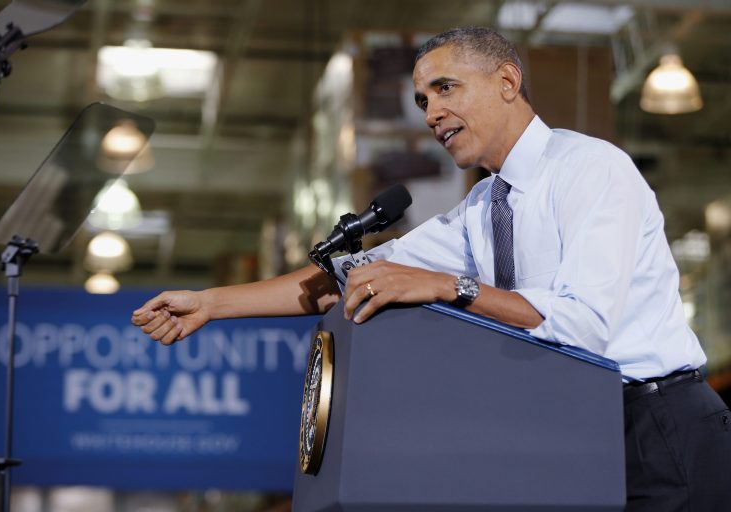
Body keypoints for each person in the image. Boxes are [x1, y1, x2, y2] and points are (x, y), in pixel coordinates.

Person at [132, 27, 731, 511]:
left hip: (660, 427)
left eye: (446, 89)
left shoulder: (591, 170)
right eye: (422, 100)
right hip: (571, 432)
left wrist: (452, 287)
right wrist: (213, 302)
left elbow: (584, 327)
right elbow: (344, 282)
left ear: (506, 81)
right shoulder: (479, 210)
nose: (431, 112)